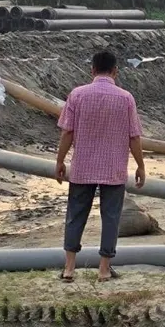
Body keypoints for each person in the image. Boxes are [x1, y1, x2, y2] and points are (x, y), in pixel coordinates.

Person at [55, 50, 146, 282]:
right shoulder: (126, 98)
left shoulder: (77, 95)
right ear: (115, 71)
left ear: (92, 70)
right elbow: (134, 137)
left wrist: (60, 160)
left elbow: (68, 132)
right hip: (113, 169)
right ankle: (104, 269)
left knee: (75, 216)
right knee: (111, 218)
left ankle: (69, 268)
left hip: (82, 167)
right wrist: (140, 165)